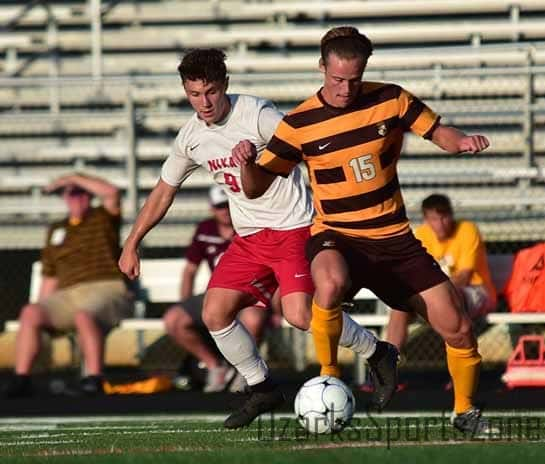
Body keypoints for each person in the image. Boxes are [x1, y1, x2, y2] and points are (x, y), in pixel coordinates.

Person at [118, 48, 398, 429]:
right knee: (214, 313)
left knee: (299, 314)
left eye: (212, 92)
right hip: (250, 239)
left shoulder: (257, 115)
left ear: (225, 86)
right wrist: (132, 243)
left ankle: (378, 351)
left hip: (295, 228)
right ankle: (262, 387)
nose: (204, 102)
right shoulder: (191, 137)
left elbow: (305, 144)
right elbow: (163, 191)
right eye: (195, 94)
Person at [240, 26, 494, 435]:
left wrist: (461, 141)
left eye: (353, 80)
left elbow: (438, 131)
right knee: (330, 282)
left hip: (395, 241)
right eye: (337, 79)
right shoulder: (299, 123)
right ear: (322, 67)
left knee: (458, 326)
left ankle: (465, 412)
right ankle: (329, 377)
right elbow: (255, 187)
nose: (344, 89)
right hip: (337, 236)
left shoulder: (391, 98)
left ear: (364, 71)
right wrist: (246, 164)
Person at [5, 173, 132, 397]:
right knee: (31, 313)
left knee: (84, 315)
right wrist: (42, 306)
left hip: (105, 286)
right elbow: (50, 275)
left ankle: (94, 378)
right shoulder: (56, 229)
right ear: (65, 198)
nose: (77, 198)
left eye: (82, 192)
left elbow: (111, 193)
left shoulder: (102, 218)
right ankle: (21, 378)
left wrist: (72, 178)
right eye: (72, 193)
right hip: (67, 294)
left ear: (89, 196)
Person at [162, 185, 267, 393]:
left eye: (227, 205)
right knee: (174, 319)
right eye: (220, 206)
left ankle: (246, 372)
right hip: (218, 292)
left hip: (250, 291)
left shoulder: (249, 225)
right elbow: (190, 270)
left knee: (253, 320)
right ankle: (215, 366)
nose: (225, 211)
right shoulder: (205, 230)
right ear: (212, 209)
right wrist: (185, 302)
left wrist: (276, 304)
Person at [385, 193, 497, 354]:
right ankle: (387, 368)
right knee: (400, 306)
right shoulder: (421, 235)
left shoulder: (467, 230)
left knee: (452, 300)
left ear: (451, 215)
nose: (440, 224)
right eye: (434, 219)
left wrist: (433, 293)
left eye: (444, 217)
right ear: (426, 219)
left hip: (474, 290)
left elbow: (464, 277)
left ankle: (459, 376)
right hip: (433, 295)